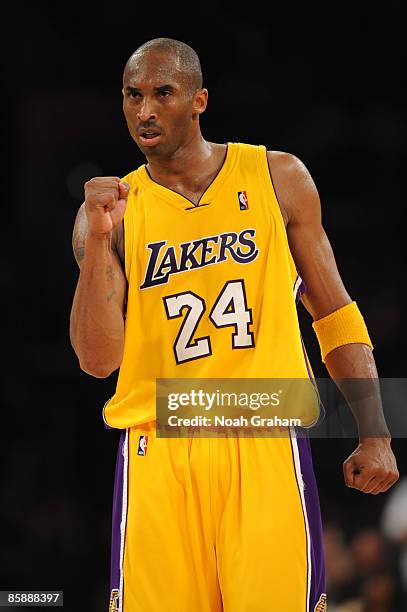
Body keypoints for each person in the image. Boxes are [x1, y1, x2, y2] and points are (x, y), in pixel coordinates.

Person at [69, 38, 399, 612]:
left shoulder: (277, 176)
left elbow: (334, 311)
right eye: (132, 95)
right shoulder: (112, 212)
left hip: (263, 436)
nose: (144, 111)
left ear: (198, 100)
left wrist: (375, 432)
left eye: (162, 93)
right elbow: (98, 360)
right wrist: (99, 239)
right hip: (159, 447)